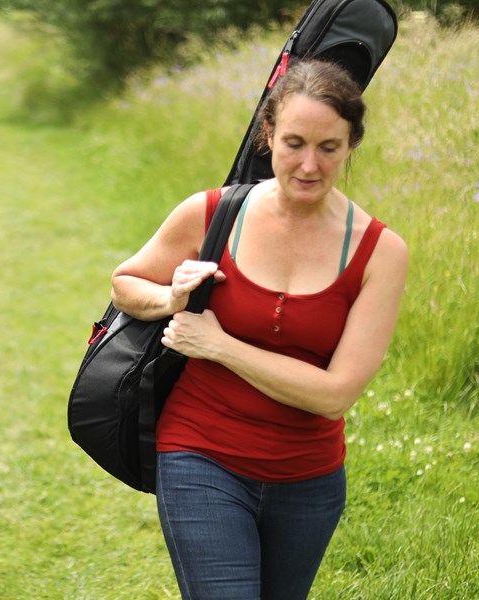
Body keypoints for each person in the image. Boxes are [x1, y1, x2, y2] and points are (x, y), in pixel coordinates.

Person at [110, 59, 408, 599]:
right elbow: (125, 282)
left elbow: (335, 395)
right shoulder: (212, 214)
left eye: (329, 148)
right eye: (294, 143)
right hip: (200, 454)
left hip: (310, 480)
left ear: (352, 145)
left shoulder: (380, 253)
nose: (309, 165)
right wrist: (171, 298)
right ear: (267, 135)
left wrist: (221, 347)